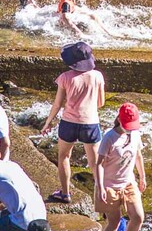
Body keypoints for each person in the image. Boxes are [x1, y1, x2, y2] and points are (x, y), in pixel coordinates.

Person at [41, 42, 105, 204]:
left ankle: (65, 193)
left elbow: (57, 104)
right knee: (95, 163)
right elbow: (101, 102)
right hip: (90, 123)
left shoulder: (65, 77)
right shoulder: (97, 76)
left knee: (64, 156)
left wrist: (48, 122)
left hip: (68, 122)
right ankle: (102, 196)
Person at [95, 103, 146, 231]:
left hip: (128, 183)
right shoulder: (109, 138)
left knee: (138, 217)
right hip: (110, 185)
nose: (129, 129)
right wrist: (101, 188)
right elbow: (99, 164)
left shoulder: (135, 134)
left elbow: (138, 156)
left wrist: (142, 177)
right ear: (119, 120)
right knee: (114, 222)